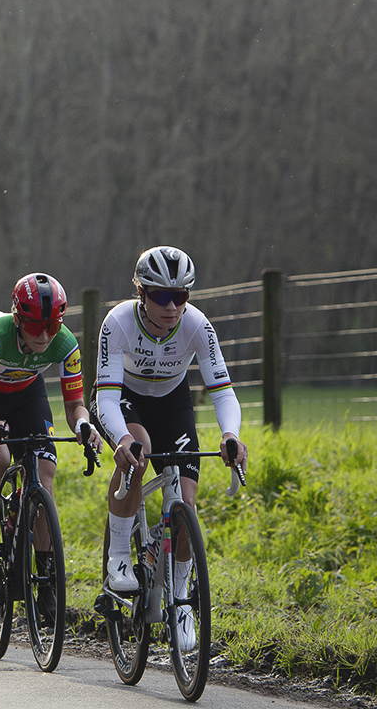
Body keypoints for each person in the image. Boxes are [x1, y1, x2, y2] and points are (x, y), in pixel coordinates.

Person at [92, 245, 248, 652]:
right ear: (141, 293)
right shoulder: (118, 322)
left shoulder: (197, 325)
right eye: (162, 296)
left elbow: (223, 392)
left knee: (186, 507)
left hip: (173, 401)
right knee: (138, 451)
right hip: (125, 397)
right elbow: (105, 397)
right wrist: (121, 439)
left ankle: (181, 602)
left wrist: (230, 434)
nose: (172, 306)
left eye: (181, 296)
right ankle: (120, 556)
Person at [0, 273, 99, 579]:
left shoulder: (65, 343)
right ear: (17, 319)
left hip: (25, 394)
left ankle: (47, 575)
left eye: (52, 326)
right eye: (35, 326)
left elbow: (75, 406)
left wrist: (84, 425)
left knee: (45, 476)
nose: (45, 335)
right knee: (0, 460)